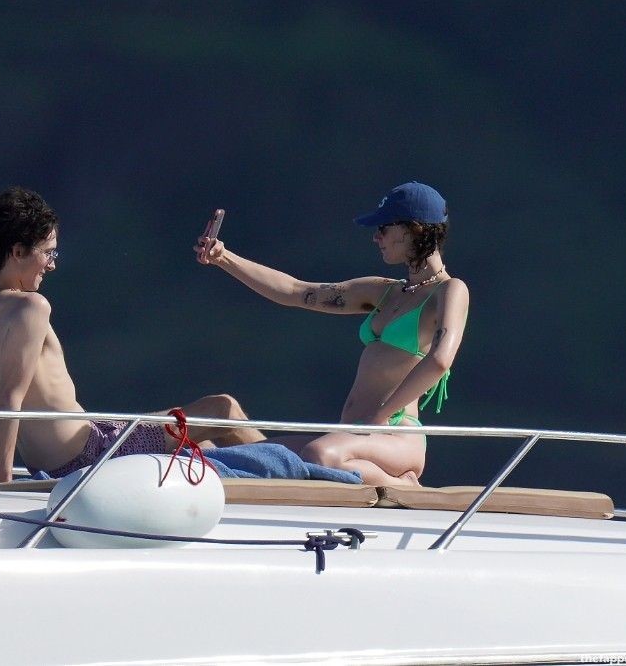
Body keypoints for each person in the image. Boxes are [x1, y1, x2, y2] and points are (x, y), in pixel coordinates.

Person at [0, 186, 261, 485]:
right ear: (18, 251)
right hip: (93, 452)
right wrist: (2, 483)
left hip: (72, 449)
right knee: (223, 409)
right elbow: (10, 398)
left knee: (202, 445)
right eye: (48, 253)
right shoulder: (30, 307)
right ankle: (288, 483)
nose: (51, 265)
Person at [194, 181, 469, 486]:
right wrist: (224, 258)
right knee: (247, 456)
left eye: (383, 228)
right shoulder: (385, 291)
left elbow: (440, 360)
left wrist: (379, 417)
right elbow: (296, 291)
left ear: (412, 229)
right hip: (352, 435)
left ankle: (404, 486)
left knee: (320, 455)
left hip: (395, 435)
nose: (376, 237)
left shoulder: (450, 290)